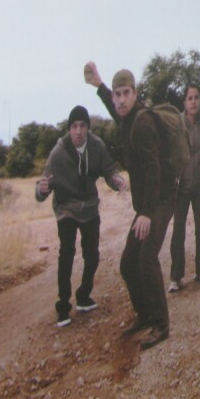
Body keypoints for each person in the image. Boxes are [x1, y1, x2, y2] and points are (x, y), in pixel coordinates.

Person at [84, 62, 175, 350]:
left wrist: (147, 213)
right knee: (127, 264)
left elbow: (153, 171)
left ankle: (161, 325)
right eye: (117, 94)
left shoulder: (143, 123)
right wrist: (99, 85)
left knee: (146, 259)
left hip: (160, 201)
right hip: (148, 203)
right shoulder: (127, 117)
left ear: (135, 94)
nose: (121, 99)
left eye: (126, 93)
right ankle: (145, 315)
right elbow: (114, 111)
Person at [35, 105, 126, 328]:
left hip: (90, 207)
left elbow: (109, 169)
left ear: (87, 128)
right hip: (66, 207)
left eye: (82, 126)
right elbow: (41, 187)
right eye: (74, 126)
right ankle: (63, 307)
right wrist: (42, 189)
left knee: (92, 255)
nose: (78, 131)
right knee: (67, 253)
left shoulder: (97, 146)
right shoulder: (58, 153)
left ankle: (84, 296)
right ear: (69, 129)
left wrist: (117, 180)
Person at [168, 84, 200, 292]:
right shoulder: (177, 123)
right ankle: (176, 277)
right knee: (178, 230)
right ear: (184, 102)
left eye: (196, 97)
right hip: (180, 187)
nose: (194, 101)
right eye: (190, 98)